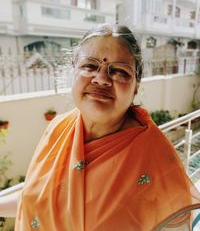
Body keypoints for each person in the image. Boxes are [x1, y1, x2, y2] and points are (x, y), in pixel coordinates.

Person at [1, 23, 200, 230]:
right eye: (89, 66)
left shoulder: (153, 156)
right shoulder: (58, 129)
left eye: (120, 71)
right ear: (73, 73)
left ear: (135, 89)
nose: (102, 78)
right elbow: (37, 200)